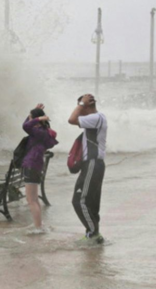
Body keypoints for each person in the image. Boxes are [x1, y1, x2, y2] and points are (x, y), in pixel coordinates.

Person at [67, 93, 108, 244]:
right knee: (90, 201)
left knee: (80, 200)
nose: (79, 110)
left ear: (88, 105)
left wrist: (81, 104)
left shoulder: (96, 118)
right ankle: (92, 233)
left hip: (92, 163)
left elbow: (71, 120)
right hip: (93, 164)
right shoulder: (96, 119)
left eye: (81, 107)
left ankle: (93, 234)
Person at [21, 104, 58, 233]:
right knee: (34, 199)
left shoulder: (37, 132)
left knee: (31, 200)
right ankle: (38, 224)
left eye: (31, 118)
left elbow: (26, 126)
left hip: (31, 164)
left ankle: (38, 228)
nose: (30, 120)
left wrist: (37, 118)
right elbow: (27, 124)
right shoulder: (44, 133)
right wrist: (35, 116)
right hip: (36, 164)